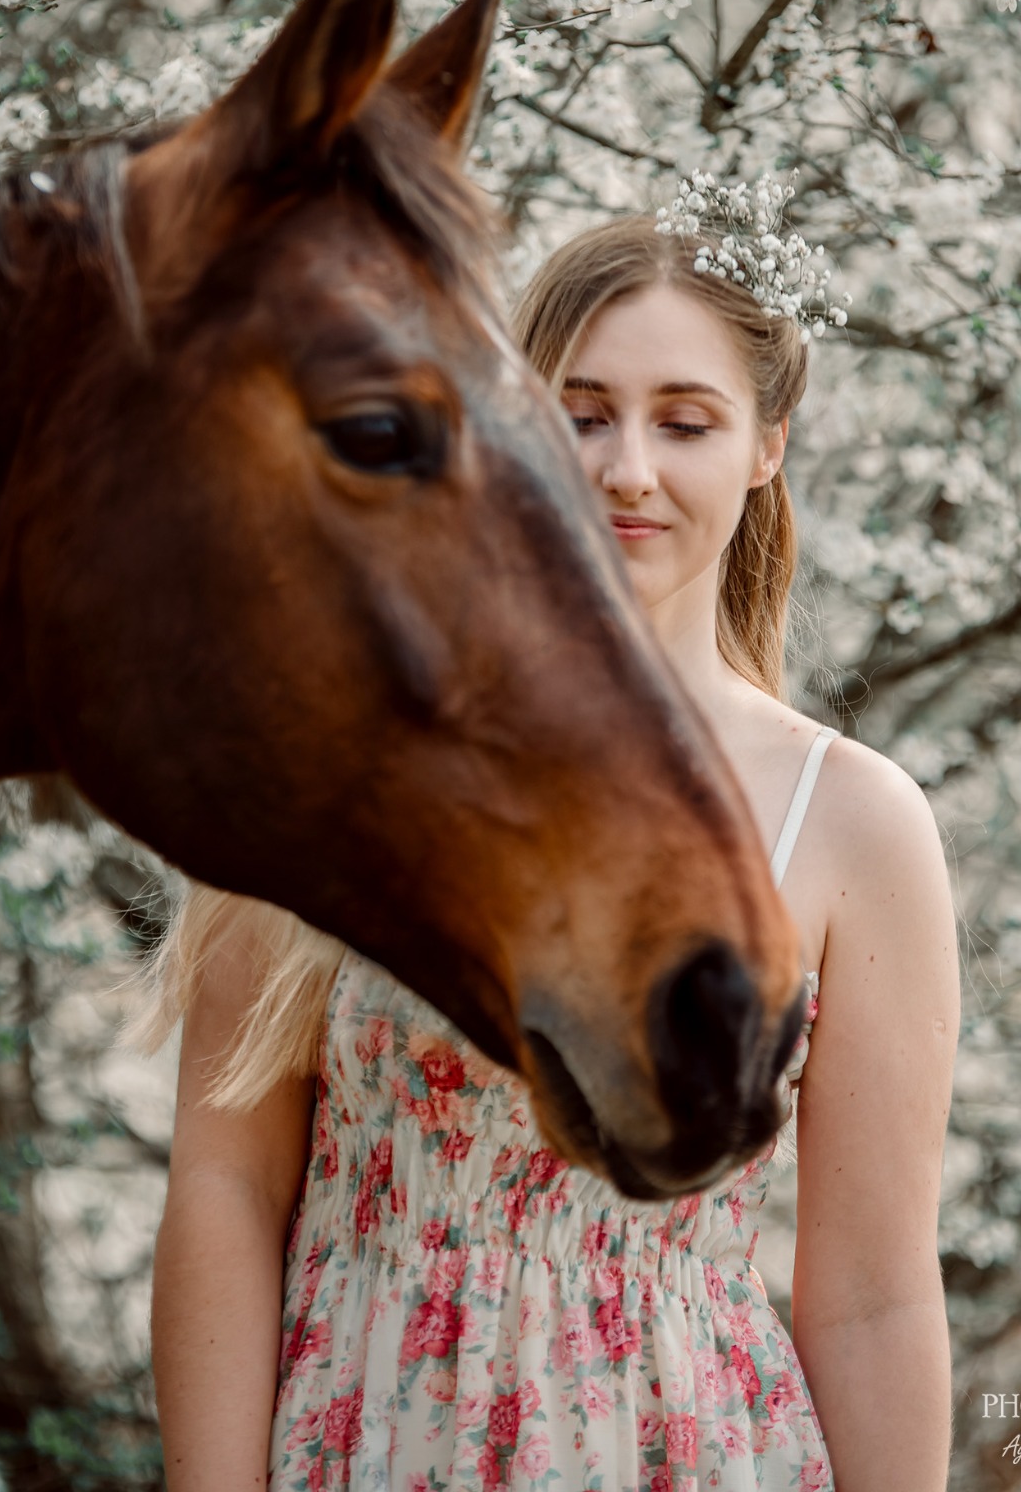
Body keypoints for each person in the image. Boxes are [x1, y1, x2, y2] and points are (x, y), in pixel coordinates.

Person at [138, 171, 961, 1492]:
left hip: (686, 1446)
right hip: (365, 1431)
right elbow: (227, 1183)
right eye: (582, 416)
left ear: (767, 446)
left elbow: (870, 1293)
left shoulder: (854, 824)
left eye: (686, 423)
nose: (629, 469)